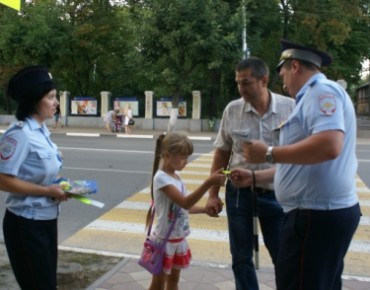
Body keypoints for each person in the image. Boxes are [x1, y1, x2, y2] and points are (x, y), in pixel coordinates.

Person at [233, 39, 361, 290]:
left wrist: (268, 153)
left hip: (316, 216)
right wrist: (255, 177)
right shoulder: (312, 96)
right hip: (317, 214)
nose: (282, 81)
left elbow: (329, 145)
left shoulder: (321, 92)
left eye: (282, 74)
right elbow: (303, 163)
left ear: (294, 67)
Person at [205, 57, 295, 290]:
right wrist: (213, 193)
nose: (241, 89)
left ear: (264, 80)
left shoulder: (290, 108)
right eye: (238, 83)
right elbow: (222, 153)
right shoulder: (232, 110)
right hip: (239, 195)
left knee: (283, 256)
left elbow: (297, 158)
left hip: (277, 194)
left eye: (246, 83)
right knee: (241, 257)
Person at [0, 65, 69, 290]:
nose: (56, 101)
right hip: (25, 223)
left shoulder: (42, 133)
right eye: (50, 97)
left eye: (55, 96)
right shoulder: (20, 135)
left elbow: (41, 174)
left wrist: (61, 186)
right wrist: (49, 191)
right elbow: (3, 179)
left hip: (46, 219)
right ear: (34, 100)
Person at [147, 132, 226, 290]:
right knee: (157, 286)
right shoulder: (161, 179)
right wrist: (209, 182)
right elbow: (184, 201)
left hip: (178, 240)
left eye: (187, 157)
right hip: (164, 241)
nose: (186, 162)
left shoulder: (176, 177)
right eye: (183, 157)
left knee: (173, 282)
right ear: (167, 155)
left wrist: (205, 210)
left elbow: (183, 208)